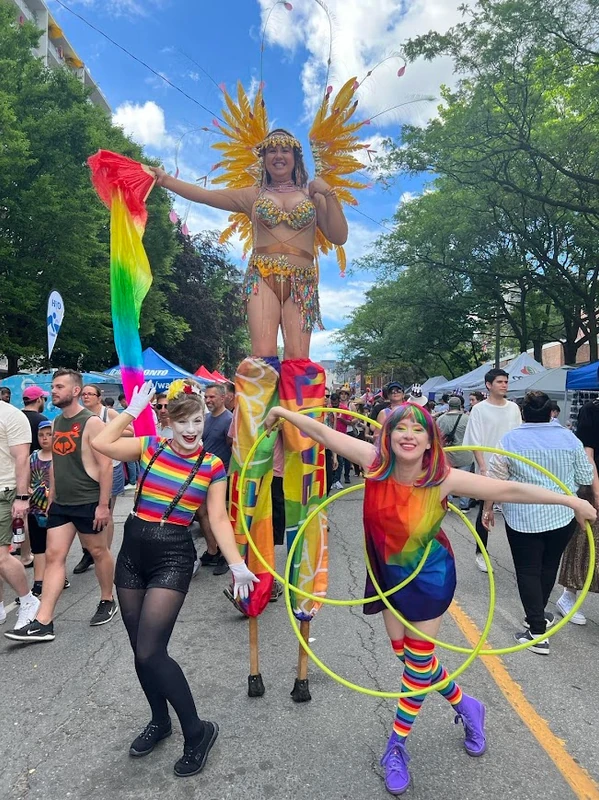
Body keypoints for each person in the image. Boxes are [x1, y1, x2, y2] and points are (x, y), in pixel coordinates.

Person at [263, 399, 596, 795]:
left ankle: (396, 746)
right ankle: (466, 705)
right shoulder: (373, 463)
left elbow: (509, 488)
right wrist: (282, 413)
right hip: (386, 574)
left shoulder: (443, 479)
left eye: (418, 429)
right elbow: (322, 432)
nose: (408, 435)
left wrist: (571, 500)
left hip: (430, 575)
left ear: (429, 441)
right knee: (407, 657)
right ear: (388, 436)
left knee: (418, 662)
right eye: (401, 428)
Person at [89, 379, 257, 777]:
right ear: (168, 422)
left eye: (198, 420)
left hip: (172, 555)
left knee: (151, 651)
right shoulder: (150, 446)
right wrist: (131, 411)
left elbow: (218, 518)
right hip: (132, 552)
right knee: (140, 652)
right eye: (183, 421)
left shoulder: (212, 466)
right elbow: (102, 443)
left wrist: (236, 564)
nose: (191, 429)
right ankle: (159, 720)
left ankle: (197, 731)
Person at [151, 128, 348, 359]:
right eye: (271, 151)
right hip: (261, 278)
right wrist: (165, 180)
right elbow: (205, 196)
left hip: (301, 280)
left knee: (298, 358)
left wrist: (329, 194)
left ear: (295, 157)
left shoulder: (313, 197)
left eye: (285, 150)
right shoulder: (253, 196)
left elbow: (339, 236)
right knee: (262, 356)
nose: (278, 156)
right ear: (263, 158)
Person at [5, 369, 117, 643]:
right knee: (54, 557)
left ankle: (107, 599)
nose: (53, 391)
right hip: (61, 504)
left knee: (98, 551)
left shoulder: (91, 422)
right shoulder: (56, 422)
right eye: (53, 387)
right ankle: (44, 621)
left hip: (87, 501)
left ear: (75, 390)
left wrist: (103, 505)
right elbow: (56, 461)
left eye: (59, 387)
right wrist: (52, 497)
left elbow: (106, 466)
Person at [482, 392, 593, 654]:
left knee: (528, 569)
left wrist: (487, 508)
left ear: (523, 412)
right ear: (551, 412)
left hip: (523, 517)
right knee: (548, 566)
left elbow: (495, 481)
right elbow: (585, 476)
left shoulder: (510, 440)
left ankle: (537, 630)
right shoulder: (569, 438)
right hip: (562, 515)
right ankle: (537, 617)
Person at [463, 368, 522, 573]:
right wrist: (483, 467)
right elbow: (474, 441)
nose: (504, 385)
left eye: (506, 381)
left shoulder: (513, 408)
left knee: (515, 511)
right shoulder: (479, 409)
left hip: (511, 468)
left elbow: (518, 437)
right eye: (500, 382)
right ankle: (481, 553)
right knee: (484, 511)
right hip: (488, 467)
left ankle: (522, 556)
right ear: (489, 385)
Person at [556, 399, 599, 625]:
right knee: (584, 543)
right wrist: (596, 492)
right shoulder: (592, 410)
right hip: (593, 486)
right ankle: (568, 595)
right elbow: (587, 455)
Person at [0, 399, 40, 630]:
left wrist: (22, 497)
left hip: (4, 491)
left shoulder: (11, 415)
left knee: (1, 556)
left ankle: (28, 601)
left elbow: (22, 458)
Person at [26, 421, 70, 597]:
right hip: (35, 509)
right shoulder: (33, 457)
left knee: (55, 548)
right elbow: (27, 478)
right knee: (38, 547)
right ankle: (38, 582)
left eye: (49, 434)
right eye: (41, 435)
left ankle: (60, 577)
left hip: (56, 508)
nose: (44, 438)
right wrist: (26, 489)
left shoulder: (61, 457)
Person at [196, 384, 233, 575]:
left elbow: (234, 449)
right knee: (202, 512)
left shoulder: (230, 420)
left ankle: (227, 556)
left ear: (223, 398)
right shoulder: (206, 418)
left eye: (212, 397)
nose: (208, 400)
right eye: (206, 397)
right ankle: (213, 550)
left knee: (221, 515)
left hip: (222, 476)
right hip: (204, 474)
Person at [436, 396, 474, 511]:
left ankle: (448, 502)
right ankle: (464, 505)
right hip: (465, 454)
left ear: (449, 406)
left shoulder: (441, 419)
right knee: (465, 480)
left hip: (447, 453)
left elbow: (436, 436)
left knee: (447, 479)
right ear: (460, 406)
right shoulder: (467, 419)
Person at [21, 386, 49, 455]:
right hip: (36, 460)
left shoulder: (15, 417)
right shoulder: (42, 421)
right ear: (39, 399)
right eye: (44, 399)